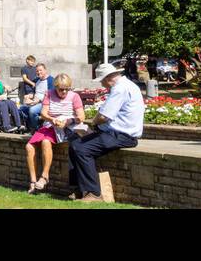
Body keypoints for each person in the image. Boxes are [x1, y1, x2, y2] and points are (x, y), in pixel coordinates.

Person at [69, 62, 144, 202]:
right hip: (117, 133)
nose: (102, 86)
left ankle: (93, 193)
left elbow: (104, 116)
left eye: (102, 82)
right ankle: (79, 189)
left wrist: (93, 123)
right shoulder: (127, 85)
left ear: (108, 78)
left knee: (80, 149)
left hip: (121, 135)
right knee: (74, 142)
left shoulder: (119, 88)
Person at [24, 73, 84, 194]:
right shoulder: (49, 94)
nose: (64, 92)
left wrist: (69, 121)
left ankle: (45, 177)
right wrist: (52, 120)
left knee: (46, 142)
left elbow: (81, 116)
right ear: (55, 87)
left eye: (67, 89)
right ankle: (33, 182)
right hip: (50, 125)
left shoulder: (74, 96)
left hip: (66, 127)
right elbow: (43, 113)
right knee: (29, 147)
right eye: (61, 89)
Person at [20, 62, 54, 132]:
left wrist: (38, 101)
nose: (38, 72)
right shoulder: (37, 80)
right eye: (37, 71)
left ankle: (36, 129)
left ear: (45, 70)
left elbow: (50, 96)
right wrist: (28, 96)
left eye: (40, 70)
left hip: (45, 103)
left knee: (32, 110)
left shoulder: (50, 80)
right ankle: (29, 127)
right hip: (35, 101)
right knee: (21, 109)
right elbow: (34, 92)